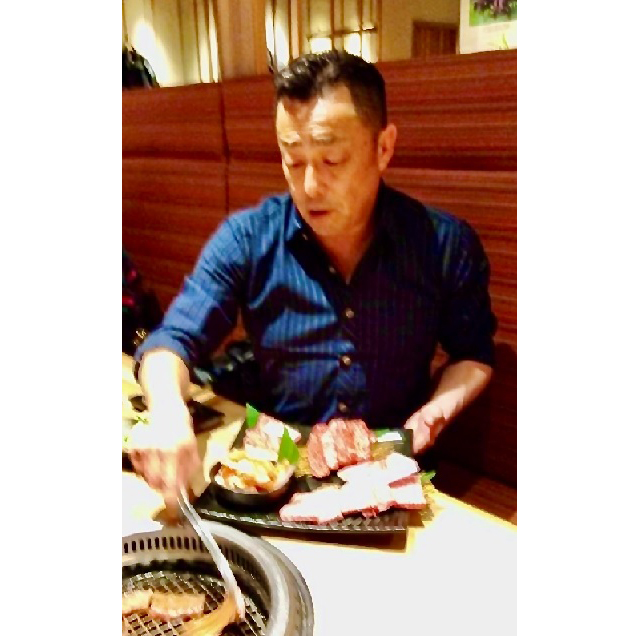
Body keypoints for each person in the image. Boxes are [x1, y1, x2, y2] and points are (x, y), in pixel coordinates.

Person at [130, 50, 496, 508]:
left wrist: (437, 410)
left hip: (388, 471)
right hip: (276, 465)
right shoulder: (249, 238)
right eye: (293, 160)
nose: (309, 187)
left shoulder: (443, 244)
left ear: (383, 148)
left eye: (332, 159)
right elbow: (172, 341)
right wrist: (168, 413)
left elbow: (474, 353)